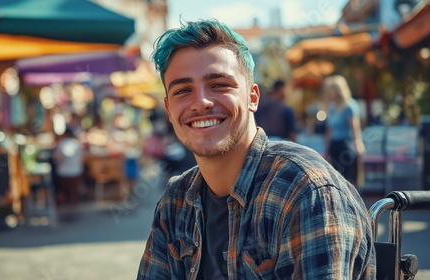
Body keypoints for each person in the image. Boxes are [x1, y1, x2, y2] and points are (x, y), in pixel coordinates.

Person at [137, 19, 376, 279]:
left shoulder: (306, 192)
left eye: (219, 85)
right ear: (169, 110)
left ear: (252, 97)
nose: (201, 102)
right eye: (183, 90)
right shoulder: (176, 201)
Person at [323, 75, 365, 186]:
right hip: (334, 145)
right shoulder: (331, 106)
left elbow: (355, 128)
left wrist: (358, 143)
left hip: (345, 144)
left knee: (346, 177)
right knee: (334, 177)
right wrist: (326, 149)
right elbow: (329, 130)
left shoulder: (349, 106)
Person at [52, 127, 83, 220]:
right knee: (73, 192)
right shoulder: (77, 144)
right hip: (76, 172)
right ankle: (73, 210)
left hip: (63, 173)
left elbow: (57, 159)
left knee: (65, 192)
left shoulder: (61, 144)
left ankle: (65, 212)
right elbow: (82, 158)